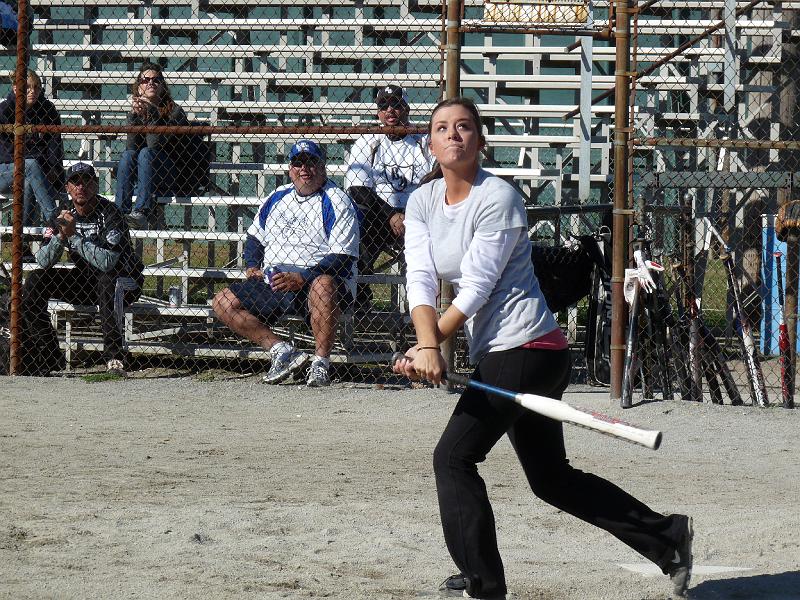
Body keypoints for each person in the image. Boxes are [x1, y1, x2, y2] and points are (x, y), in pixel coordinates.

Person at [393, 98, 693, 600]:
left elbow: (477, 287)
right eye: (442, 128)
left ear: (480, 141)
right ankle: (667, 538)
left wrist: (430, 345)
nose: (453, 135)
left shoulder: (499, 197)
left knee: (453, 458)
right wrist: (426, 344)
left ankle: (483, 583)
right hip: (508, 352)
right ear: (430, 143)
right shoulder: (422, 202)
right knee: (551, 479)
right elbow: (420, 278)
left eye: (464, 127)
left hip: (528, 348)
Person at [212, 139, 360, 387]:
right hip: (275, 281)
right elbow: (255, 237)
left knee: (324, 285)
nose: (304, 169)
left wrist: (302, 277)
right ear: (290, 169)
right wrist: (252, 265)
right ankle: (282, 351)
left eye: (311, 162)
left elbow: (342, 258)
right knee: (223, 302)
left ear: (322, 167)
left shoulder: (337, 200)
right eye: (298, 163)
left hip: (316, 282)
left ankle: (320, 364)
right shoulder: (277, 196)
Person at [21, 162, 144, 376]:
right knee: (36, 280)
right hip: (86, 281)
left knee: (107, 281)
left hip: (125, 281)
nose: (81, 187)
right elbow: (43, 260)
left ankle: (115, 357)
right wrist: (61, 236)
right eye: (75, 182)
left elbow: (108, 262)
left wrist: (74, 237)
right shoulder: (63, 214)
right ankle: (49, 356)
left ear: (95, 185)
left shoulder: (110, 213)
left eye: (86, 181)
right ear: (67, 188)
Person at [344, 84, 434, 308]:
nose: (390, 110)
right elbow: (357, 189)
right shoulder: (368, 141)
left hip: (421, 215)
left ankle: (426, 305)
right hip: (380, 217)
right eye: (383, 106)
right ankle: (361, 301)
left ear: (407, 108)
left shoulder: (424, 140)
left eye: (396, 104)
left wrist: (411, 214)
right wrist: (392, 215)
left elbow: (437, 178)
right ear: (378, 112)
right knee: (358, 230)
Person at [114, 62, 188, 229]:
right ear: (138, 87)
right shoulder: (138, 111)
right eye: (145, 80)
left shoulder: (175, 111)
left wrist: (152, 112)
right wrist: (134, 116)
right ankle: (120, 212)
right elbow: (131, 147)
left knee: (146, 153)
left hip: (170, 173)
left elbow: (155, 145)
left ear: (162, 86)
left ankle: (142, 211)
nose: (151, 83)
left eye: (156, 80)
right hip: (143, 172)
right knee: (128, 155)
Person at [0, 68, 63, 227]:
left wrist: (53, 168)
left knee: (28, 181)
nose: (32, 91)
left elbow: (54, 146)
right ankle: (54, 218)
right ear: (16, 88)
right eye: (27, 87)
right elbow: (7, 154)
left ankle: (22, 236)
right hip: (5, 171)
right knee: (30, 164)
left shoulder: (47, 110)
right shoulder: (4, 111)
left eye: (36, 87)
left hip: (36, 172)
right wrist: (36, 156)